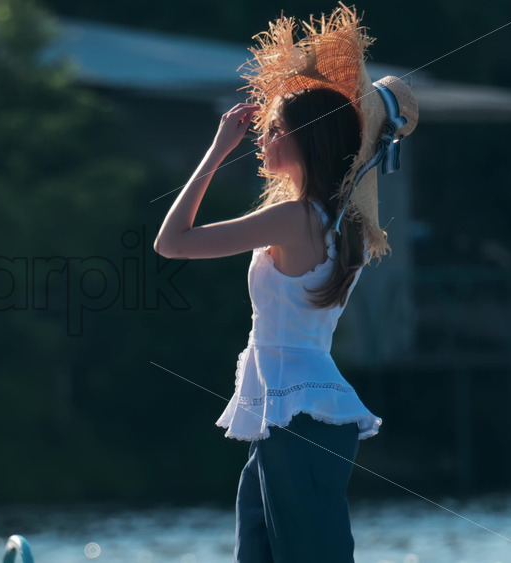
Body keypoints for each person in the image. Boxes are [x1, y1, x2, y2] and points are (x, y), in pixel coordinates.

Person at [154, 4, 418, 562]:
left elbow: (171, 241)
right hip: (287, 416)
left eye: (276, 130)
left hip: (298, 418)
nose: (263, 139)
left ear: (307, 142)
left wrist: (216, 150)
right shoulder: (336, 219)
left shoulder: (296, 217)